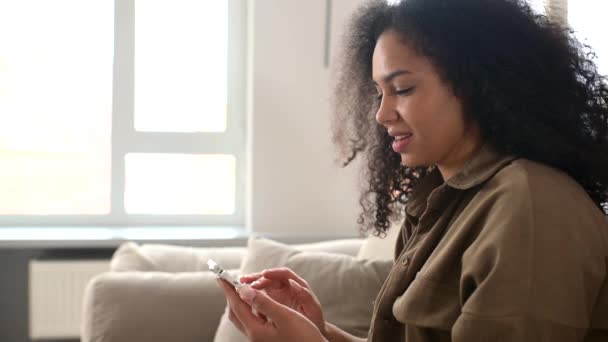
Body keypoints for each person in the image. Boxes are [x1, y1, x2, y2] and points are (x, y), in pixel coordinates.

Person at [217, 0, 608, 340]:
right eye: (378, 93)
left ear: (476, 84)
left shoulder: (530, 207)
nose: (382, 114)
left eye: (402, 89)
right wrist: (320, 332)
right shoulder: (440, 203)